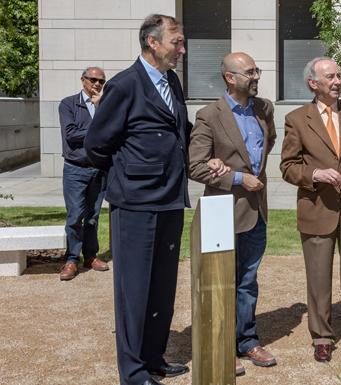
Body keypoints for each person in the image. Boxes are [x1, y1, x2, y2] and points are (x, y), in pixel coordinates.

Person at [85, 14, 224, 385]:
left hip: (169, 198)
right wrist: (129, 174)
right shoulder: (125, 85)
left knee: (162, 285)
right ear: (153, 43)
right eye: (176, 42)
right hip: (135, 202)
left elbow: (180, 130)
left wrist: (204, 152)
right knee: (134, 289)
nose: (183, 48)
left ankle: (153, 357)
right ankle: (132, 372)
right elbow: (96, 144)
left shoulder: (171, 81)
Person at [280, 57, 341, 362]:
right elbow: (287, 166)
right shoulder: (297, 119)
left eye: (339, 76)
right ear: (314, 83)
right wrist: (315, 175)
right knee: (318, 277)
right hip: (316, 209)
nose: (338, 82)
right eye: (331, 77)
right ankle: (322, 336)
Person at [188, 52, 277, 376]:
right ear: (230, 77)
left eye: (257, 71)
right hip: (223, 213)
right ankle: (224, 346)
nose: (256, 77)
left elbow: (267, 144)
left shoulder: (264, 109)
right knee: (223, 282)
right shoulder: (209, 115)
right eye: (250, 73)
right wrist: (237, 177)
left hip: (258, 212)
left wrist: (250, 172)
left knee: (248, 281)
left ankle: (247, 340)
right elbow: (195, 165)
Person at [58, 67, 109, 281]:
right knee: (75, 216)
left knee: (93, 217)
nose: (97, 84)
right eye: (93, 79)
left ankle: (90, 256)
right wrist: (99, 125)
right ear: (83, 80)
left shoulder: (106, 105)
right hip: (75, 169)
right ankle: (71, 259)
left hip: (99, 169)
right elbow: (70, 134)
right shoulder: (68, 104)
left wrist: (101, 109)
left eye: (101, 81)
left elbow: (114, 130)